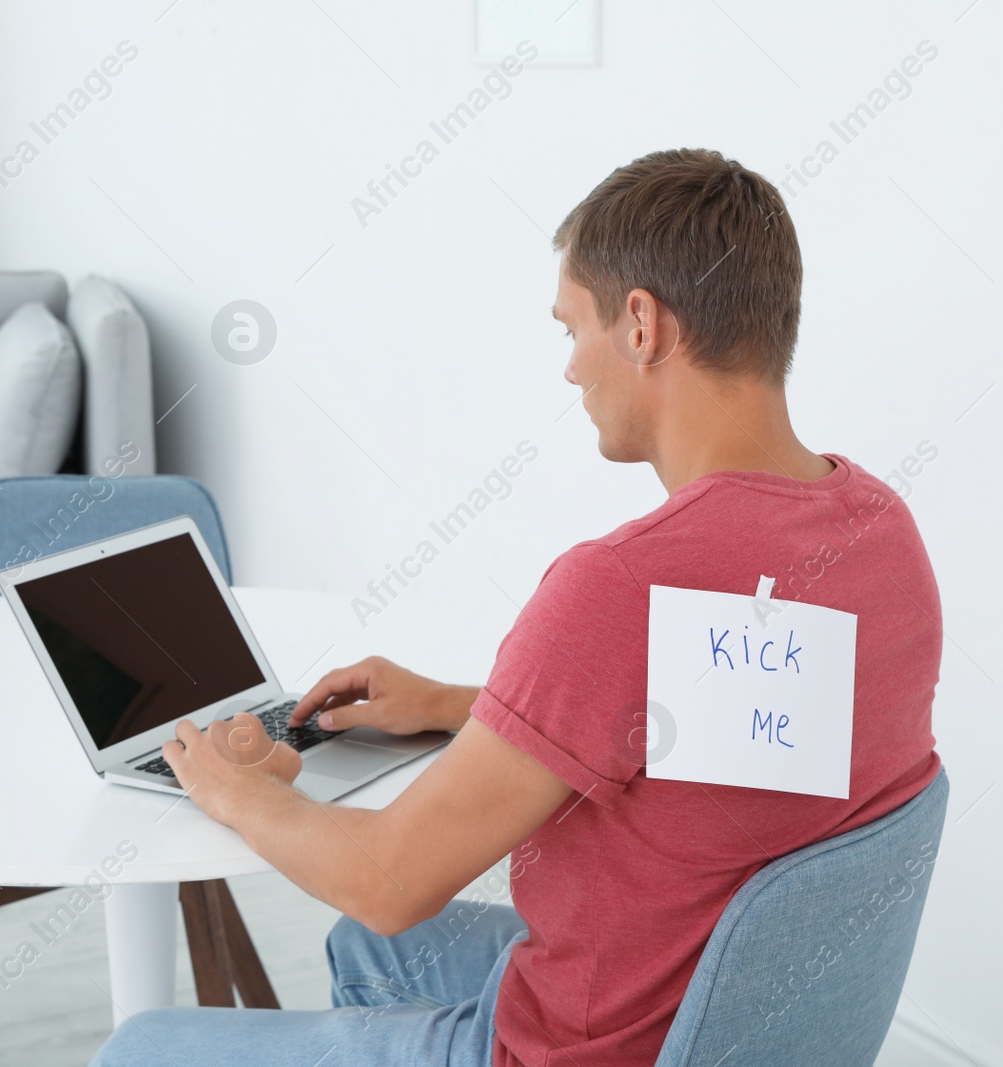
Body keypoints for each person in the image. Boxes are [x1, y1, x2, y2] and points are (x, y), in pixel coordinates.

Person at [89, 148, 942, 1067]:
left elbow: (386, 878)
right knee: (366, 955)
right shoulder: (878, 533)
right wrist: (465, 705)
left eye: (573, 328)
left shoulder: (619, 586)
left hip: (592, 1046)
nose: (571, 369)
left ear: (643, 326)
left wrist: (236, 790)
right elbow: (731, 723)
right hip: (732, 1013)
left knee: (140, 1046)